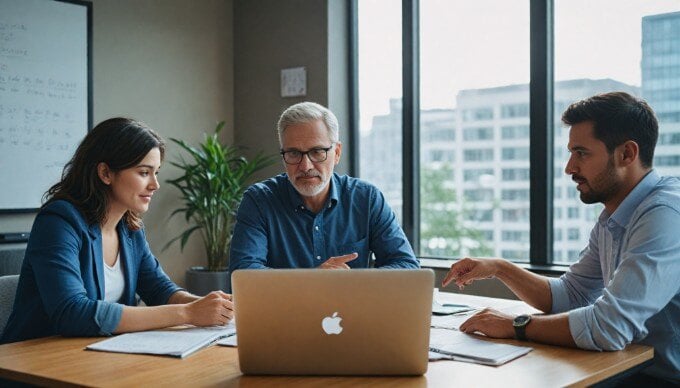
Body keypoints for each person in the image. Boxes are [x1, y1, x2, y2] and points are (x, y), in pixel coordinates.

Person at [442, 92, 679, 384]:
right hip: (632, 370)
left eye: (582, 153)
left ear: (627, 154)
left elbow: (609, 328)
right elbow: (572, 296)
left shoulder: (665, 214)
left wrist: (515, 325)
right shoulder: (614, 216)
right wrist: (500, 268)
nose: (569, 168)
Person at [1, 118, 234, 344]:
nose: (155, 184)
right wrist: (188, 313)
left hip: (97, 356)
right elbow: (72, 313)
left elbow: (159, 289)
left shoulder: (129, 228)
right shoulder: (59, 221)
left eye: (156, 172)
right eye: (144, 172)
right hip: (34, 365)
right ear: (105, 173)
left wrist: (210, 307)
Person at [229, 102, 419, 271]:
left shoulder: (367, 199)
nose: (305, 166)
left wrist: (356, 282)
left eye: (317, 151)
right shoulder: (258, 201)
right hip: (285, 312)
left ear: (336, 153)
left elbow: (407, 265)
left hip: (351, 310)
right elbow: (244, 273)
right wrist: (314, 280)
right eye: (294, 153)